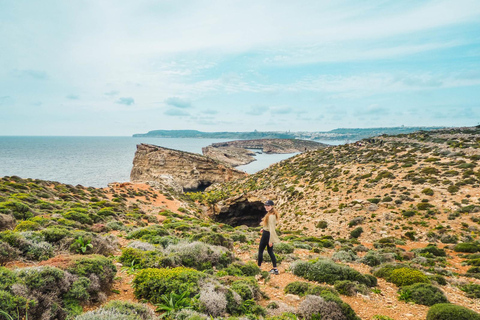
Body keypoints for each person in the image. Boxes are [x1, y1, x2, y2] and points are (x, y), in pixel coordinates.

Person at [258, 199, 280, 274]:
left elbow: (272, 228)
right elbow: (269, 226)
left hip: (267, 235)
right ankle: (275, 269)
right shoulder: (271, 214)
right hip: (267, 233)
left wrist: (271, 240)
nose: (266, 207)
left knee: (260, 250)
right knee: (270, 251)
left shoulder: (271, 216)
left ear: (271, 206)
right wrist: (263, 229)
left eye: (268, 206)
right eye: (266, 205)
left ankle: (259, 267)